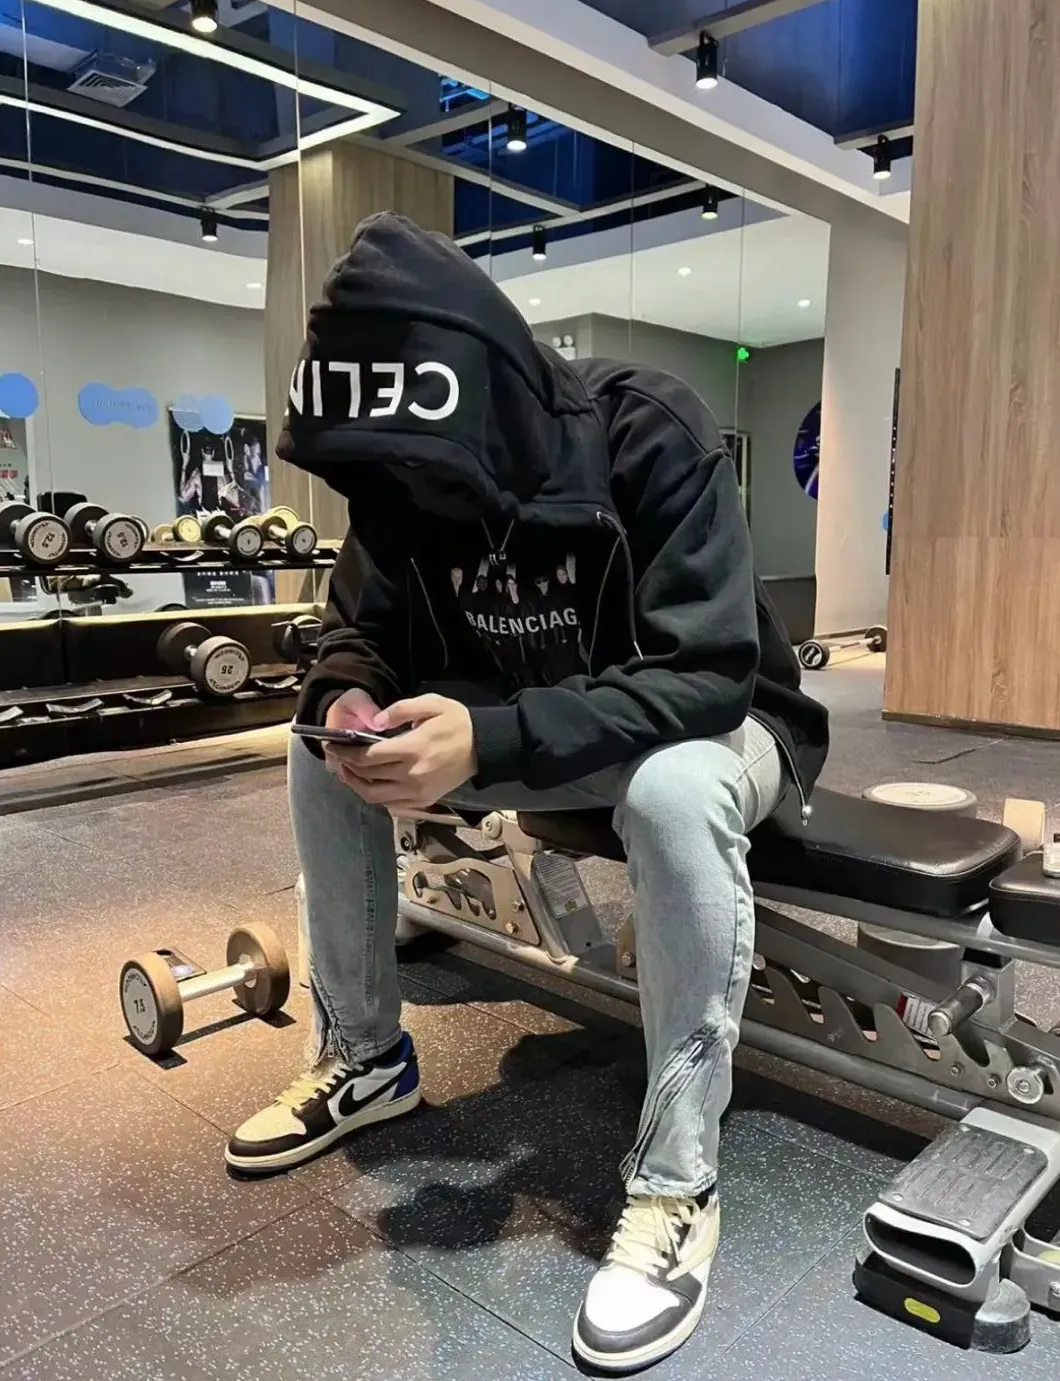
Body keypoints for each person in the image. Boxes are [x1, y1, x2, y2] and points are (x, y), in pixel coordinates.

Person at [226, 213, 829, 1372]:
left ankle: (677, 1180)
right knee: (311, 744)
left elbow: (705, 674)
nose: (414, 494)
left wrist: (490, 737)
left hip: (723, 721)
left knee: (671, 793)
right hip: (544, 721)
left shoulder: (648, 428)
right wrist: (349, 701)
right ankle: (364, 1058)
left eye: (428, 471)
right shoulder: (399, 475)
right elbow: (360, 632)